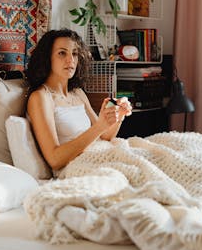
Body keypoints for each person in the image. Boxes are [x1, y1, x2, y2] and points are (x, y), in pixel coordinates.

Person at [25, 28, 132, 172]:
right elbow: (54, 159)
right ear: (47, 57)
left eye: (74, 54)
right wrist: (99, 126)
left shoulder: (78, 93)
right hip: (79, 167)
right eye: (62, 53)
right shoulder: (40, 97)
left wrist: (117, 116)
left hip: (101, 153)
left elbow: (105, 136)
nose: (71, 60)